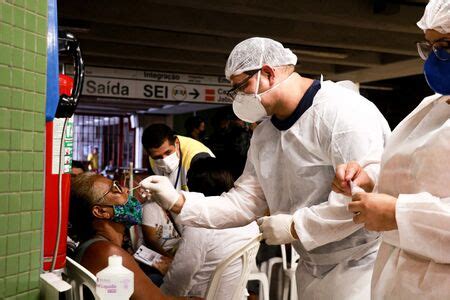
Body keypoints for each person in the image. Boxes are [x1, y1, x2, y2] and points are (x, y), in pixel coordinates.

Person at [140, 37, 391, 299]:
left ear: (268, 74)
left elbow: (362, 200)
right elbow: (245, 201)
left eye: (241, 87)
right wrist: (179, 202)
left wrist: (296, 226)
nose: (239, 98)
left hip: (362, 264)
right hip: (311, 264)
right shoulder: (266, 135)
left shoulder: (342, 113)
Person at [332, 1, 450, 298]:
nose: (436, 58)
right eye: (430, 46)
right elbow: (413, 170)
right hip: (399, 274)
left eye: (445, 45)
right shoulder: (431, 106)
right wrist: (369, 177)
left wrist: (400, 213)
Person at [69, 173, 179, 300]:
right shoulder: (109, 252)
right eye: (116, 189)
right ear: (100, 211)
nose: (126, 189)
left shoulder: (97, 245)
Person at [161, 157, 259, 299]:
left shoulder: (199, 224)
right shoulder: (250, 222)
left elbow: (180, 278)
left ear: (192, 186)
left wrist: (159, 293)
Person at [140, 124, 214, 257]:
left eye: (168, 152)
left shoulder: (198, 159)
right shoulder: (152, 160)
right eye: (157, 157)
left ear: (177, 143)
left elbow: (208, 206)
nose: (164, 160)